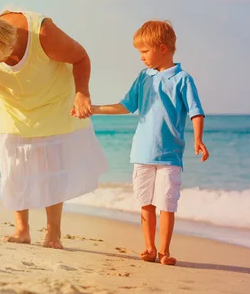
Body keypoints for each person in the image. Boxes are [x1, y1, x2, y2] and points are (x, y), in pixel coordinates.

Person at [0, 9, 107, 249]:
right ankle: (22, 230)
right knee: (14, 169)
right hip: (13, 109)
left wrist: (82, 93)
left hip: (52, 103)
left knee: (52, 169)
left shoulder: (42, 33)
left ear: (11, 43)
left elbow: (80, 57)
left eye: (3, 58)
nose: (2, 64)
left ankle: (53, 233)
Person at [85, 20, 209, 265]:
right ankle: (149, 248)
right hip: (141, 153)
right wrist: (94, 108)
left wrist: (198, 139)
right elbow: (126, 105)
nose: (141, 57)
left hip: (169, 155)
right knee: (145, 203)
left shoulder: (183, 79)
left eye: (144, 51)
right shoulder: (143, 77)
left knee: (167, 204)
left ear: (162, 48)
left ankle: (165, 251)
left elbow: (196, 111)